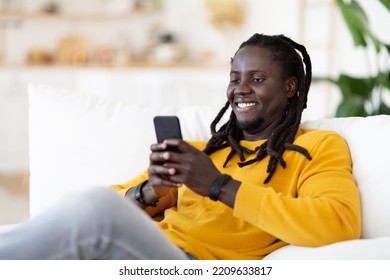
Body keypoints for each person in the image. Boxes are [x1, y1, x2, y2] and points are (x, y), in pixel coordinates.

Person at [0, 33, 361, 260]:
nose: (241, 89)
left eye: (258, 79)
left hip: (187, 264)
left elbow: (338, 223)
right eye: (235, 78)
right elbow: (110, 205)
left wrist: (219, 186)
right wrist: (149, 192)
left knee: (93, 208)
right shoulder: (204, 151)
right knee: (89, 206)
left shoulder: (318, 147)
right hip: (140, 252)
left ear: (290, 87)